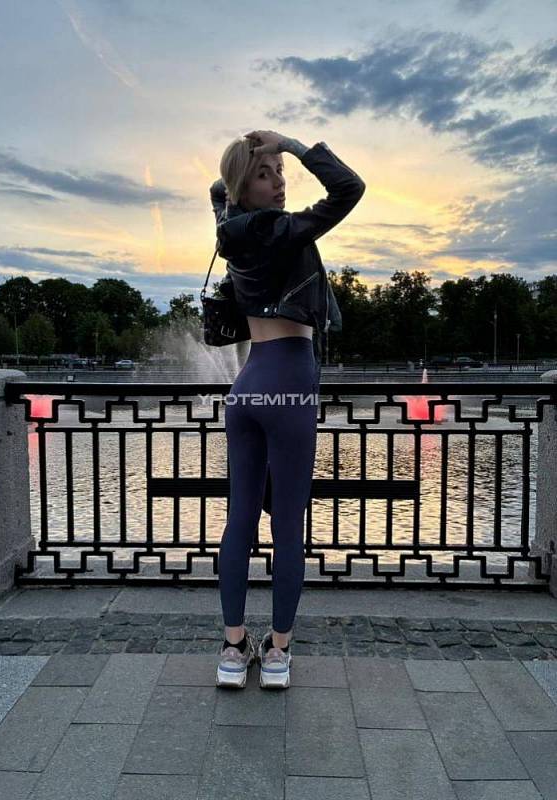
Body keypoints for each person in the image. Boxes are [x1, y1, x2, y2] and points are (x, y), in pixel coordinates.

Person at [210, 129, 366, 689]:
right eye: (265, 174)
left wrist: (250, 160)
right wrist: (294, 145)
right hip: (290, 385)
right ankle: (276, 653)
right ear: (243, 187)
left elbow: (217, 189)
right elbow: (349, 188)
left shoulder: (229, 229)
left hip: (247, 389)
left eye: (281, 172)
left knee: (239, 522)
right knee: (288, 527)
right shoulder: (281, 230)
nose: (279, 183)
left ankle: (233, 650)